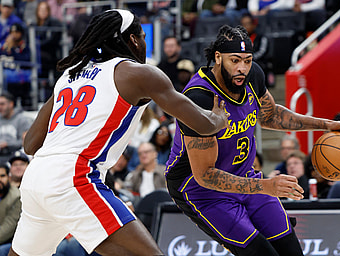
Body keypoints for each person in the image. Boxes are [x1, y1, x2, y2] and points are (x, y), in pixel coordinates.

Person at [8, 9, 229, 256]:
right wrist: (220, 117)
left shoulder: (69, 75)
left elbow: (30, 145)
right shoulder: (138, 73)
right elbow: (204, 124)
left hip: (36, 178)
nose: (144, 43)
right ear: (133, 40)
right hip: (74, 176)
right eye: (143, 37)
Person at [165, 24, 340, 256]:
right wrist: (266, 186)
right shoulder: (199, 99)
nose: (242, 68)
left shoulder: (252, 76)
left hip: (245, 177)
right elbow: (205, 175)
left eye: (247, 60)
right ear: (218, 58)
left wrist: (329, 125)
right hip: (201, 191)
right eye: (235, 60)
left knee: (291, 249)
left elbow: (271, 116)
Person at [0, 23, 32, 107]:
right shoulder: (3, 47)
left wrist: (13, 50)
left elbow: (26, 61)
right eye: (12, 32)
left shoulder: (24, 47)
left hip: (19, 75)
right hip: (5, 73)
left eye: (16, 32)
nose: (14, 35)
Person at [0, 92, 33, 163]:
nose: (0, 107)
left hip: (16, 156)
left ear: (11, 104)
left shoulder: (22, 120)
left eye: (2, 104)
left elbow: (26, 143)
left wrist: (7, 144)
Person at [0, 163, 21, 256]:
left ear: (9, 177)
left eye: (2, 176)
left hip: (11, 241)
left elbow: (7, 229)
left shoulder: (16, 197)